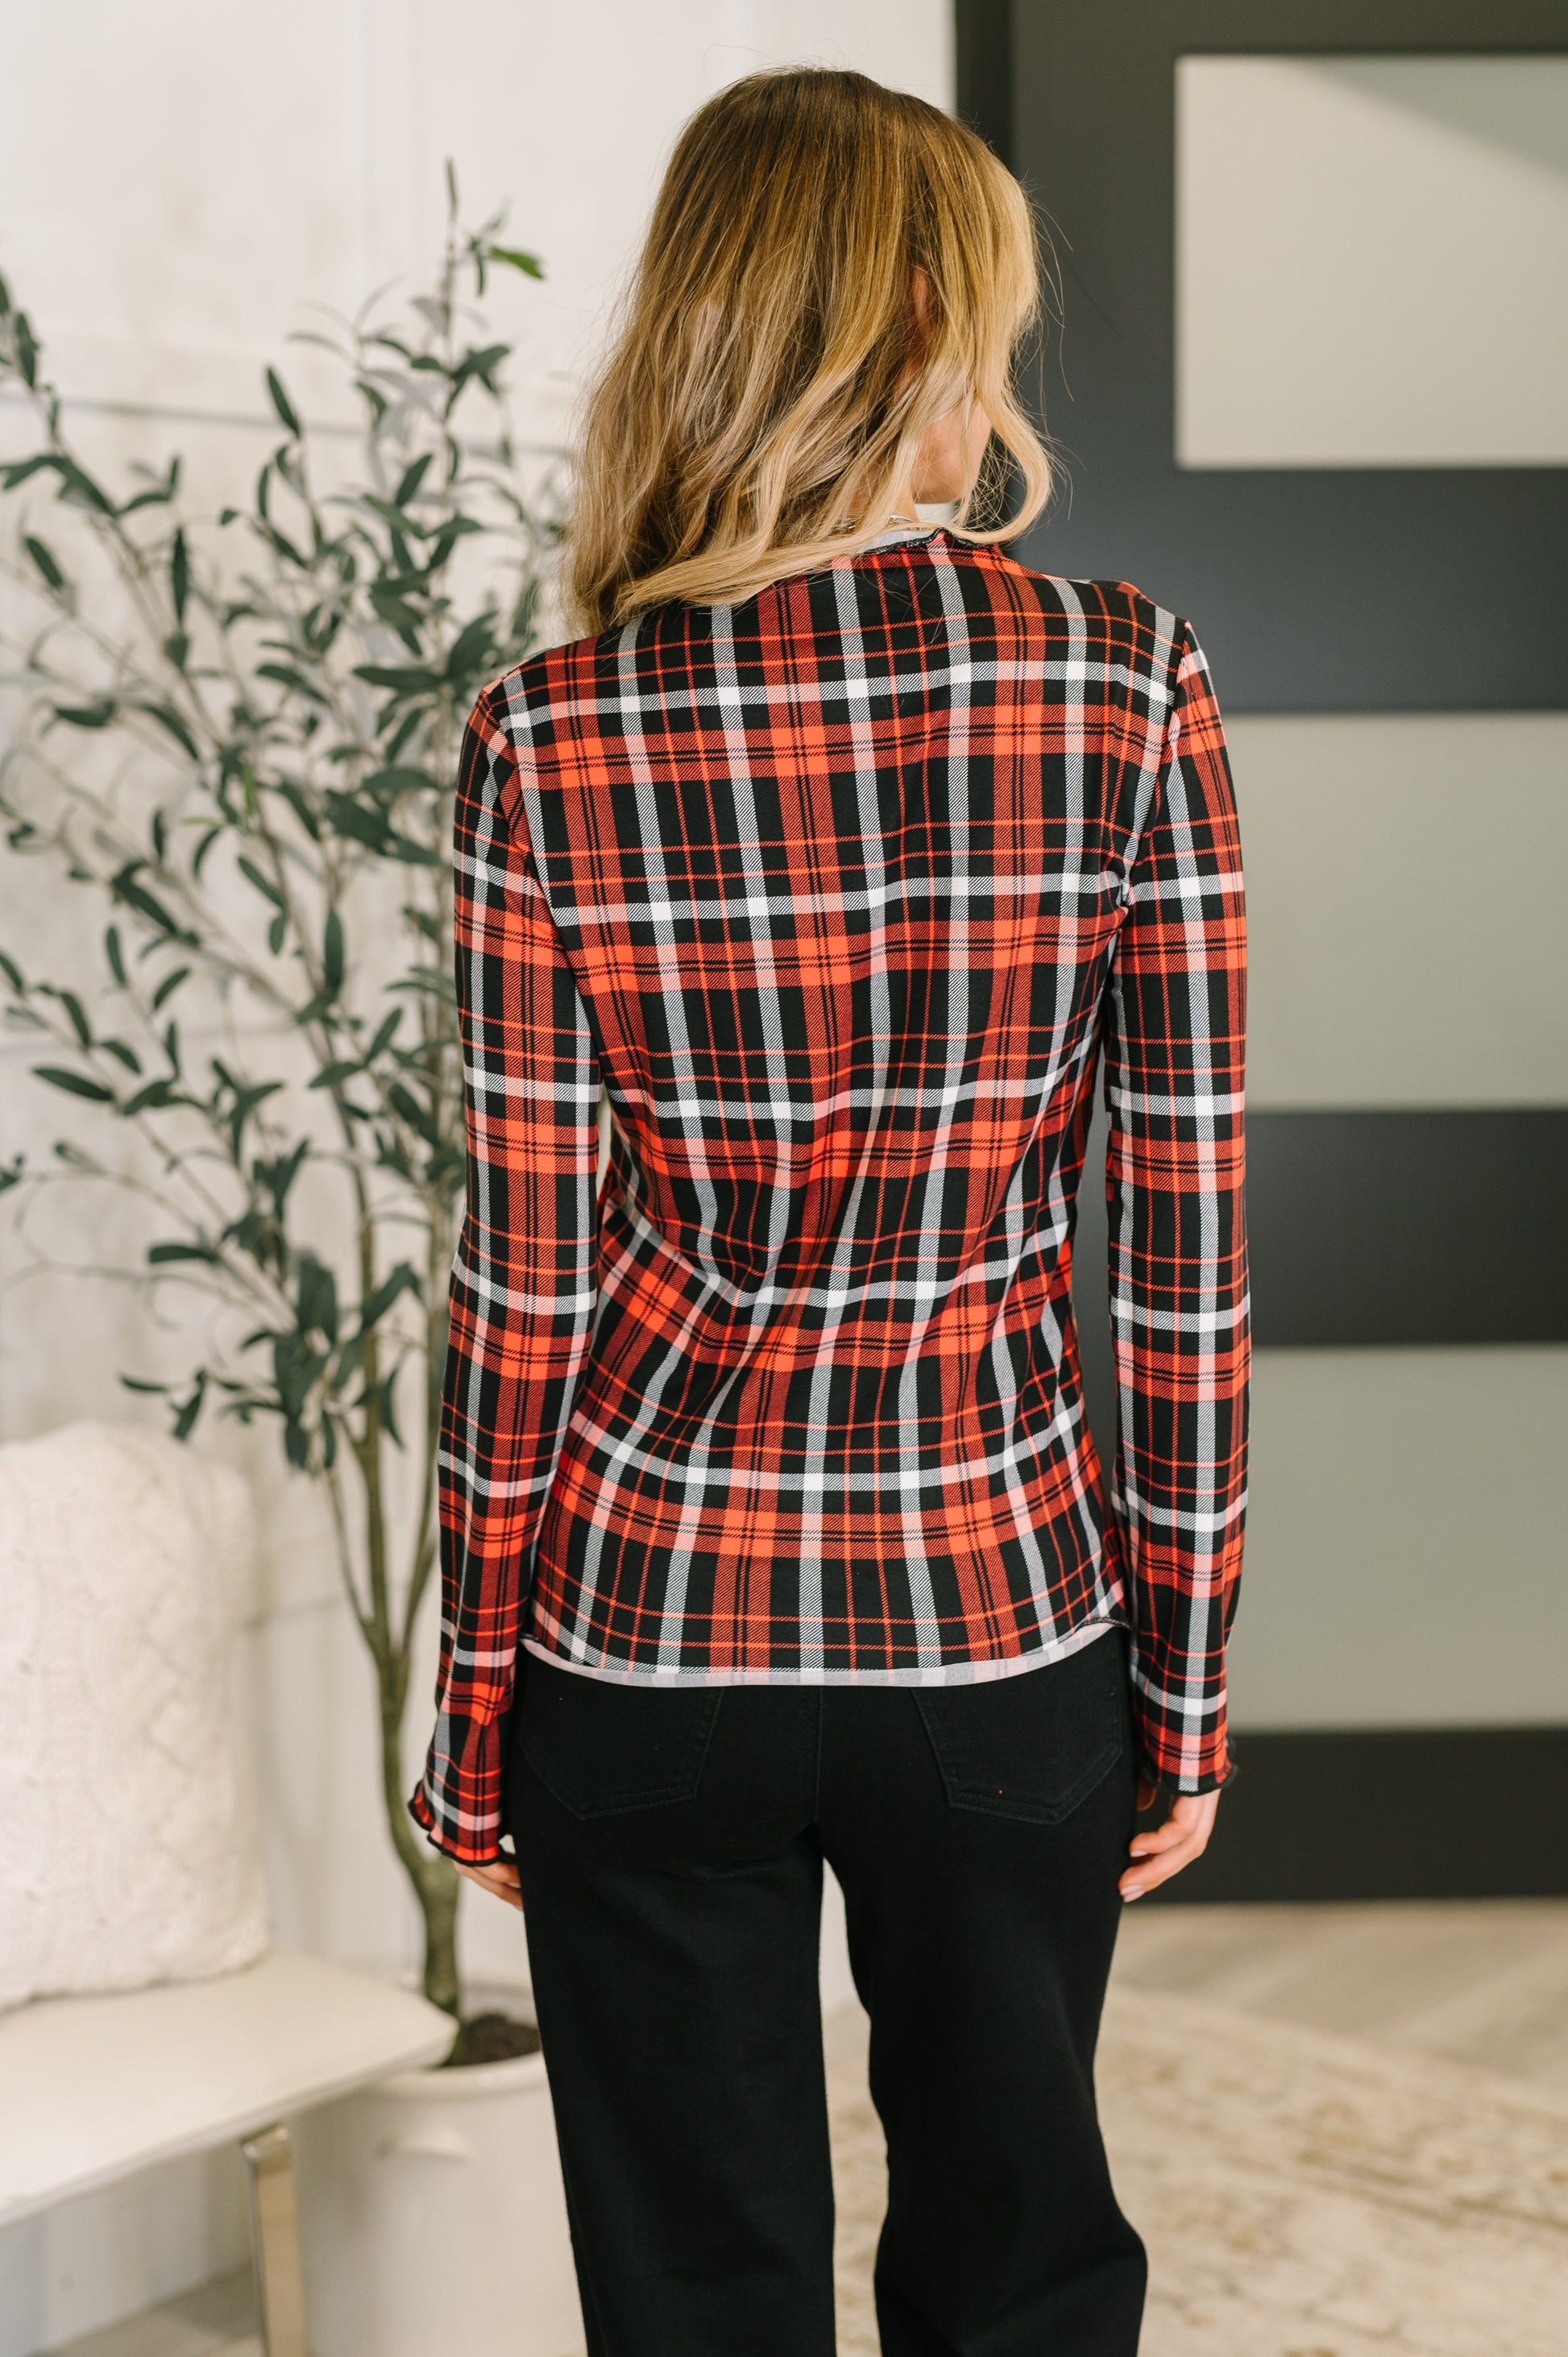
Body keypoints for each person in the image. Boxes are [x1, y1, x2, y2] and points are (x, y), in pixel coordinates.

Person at [411, 65, 1248, 2357]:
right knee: (1021, 2265)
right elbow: (1178, 1253)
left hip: (646, 1627)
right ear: (915, 324)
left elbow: (520, 1281)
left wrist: (476, 1707)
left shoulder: (548, 730)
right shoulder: (1123, 679)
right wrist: (1180, 1684)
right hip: (995, 1619)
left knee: (693, 2289)